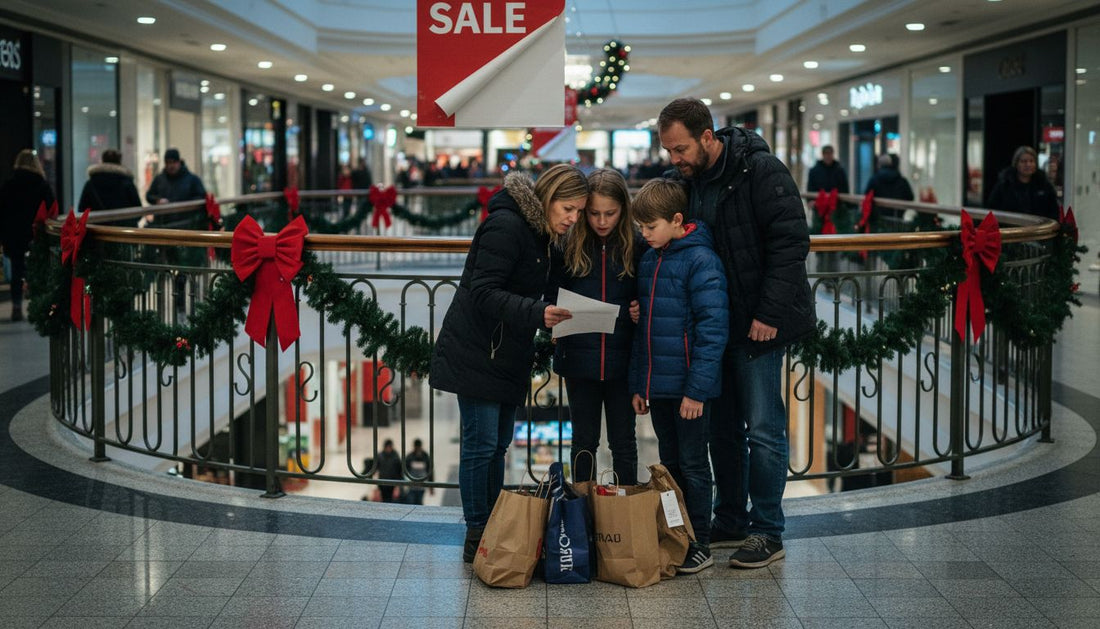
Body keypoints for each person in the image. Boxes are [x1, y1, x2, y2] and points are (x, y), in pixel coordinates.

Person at [657, 98, 816, 569]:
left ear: (708, 137)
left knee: (763, 429)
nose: (675, 159)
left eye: (681, 149)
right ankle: (731, 518)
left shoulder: (761, 171)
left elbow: (791, 243)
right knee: (722, 429)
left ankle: (767, 530)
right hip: (713, 327)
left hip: (757, 326)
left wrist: (768, 313)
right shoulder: (681, 183)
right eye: (668, 151)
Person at [430, 163, 586, 562]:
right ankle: (477, 531)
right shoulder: (507, 225)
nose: (573, 218)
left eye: (579, 211)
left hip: (506, 351)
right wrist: (537, 313)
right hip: (478, 350)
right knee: (480, 446)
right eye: (568, 208)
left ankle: (493, 525)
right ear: (548, 198)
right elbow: (482, 291)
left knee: (498, 445)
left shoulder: (542, 235)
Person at [628, 177, 729, 574]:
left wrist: (696, 391)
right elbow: (644, 331)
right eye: (640, 227)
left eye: (650, 226)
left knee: (694, 463)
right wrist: (641, 384)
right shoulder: (650, 260)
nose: (644, 234)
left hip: (689, 389)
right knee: (670, 465)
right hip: (659, 386)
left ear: (676, 220)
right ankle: (677, 535)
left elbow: (712, 331)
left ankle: (699, 540)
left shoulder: (702, 261)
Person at [551, 168, 642, 486]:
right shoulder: (567, 244)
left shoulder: (637, 245)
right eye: (594, 213)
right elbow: (551, 293)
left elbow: (649, 293)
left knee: (624, 443)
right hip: (578, 359)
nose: (602, 221)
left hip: (623, 361)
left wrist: (641, 308)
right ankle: (581, 509)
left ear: (623, 210)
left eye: (610, 213)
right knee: (583, 442)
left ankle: (624, 510)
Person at [0, 149, 56, 322]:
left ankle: (17, 306)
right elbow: (51, 208)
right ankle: (37, 305)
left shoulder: (9, 184)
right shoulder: (42, 185)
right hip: (36, 232)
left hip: (13, 234)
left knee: (17, 270)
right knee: (37, 268)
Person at [986, 145, 1059, 220]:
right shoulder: (1005, 184)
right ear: (1016, 164)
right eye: (1023, 161)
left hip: (1040, 226)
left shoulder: (1044, 184)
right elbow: (993, 208)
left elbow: (1054, 210)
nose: (1028, 165)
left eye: (1031, 161)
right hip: (1012, 225)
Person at [77, 149, 142, 212]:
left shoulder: (91, 183)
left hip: (97, 219)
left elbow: (82, 209)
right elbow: (137, 209)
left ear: (102, 161)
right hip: (122, 219)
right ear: (119, 162)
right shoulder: (127, 183)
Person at [864, 153, 914, 224]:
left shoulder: (874, 180)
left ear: (879, 165)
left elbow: (867, 196)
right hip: (897, 219)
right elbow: (910, 197)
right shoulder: (902, 180)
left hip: (878, 219)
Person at [404, 438, 433, 505]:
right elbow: (405, 471)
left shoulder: (425, 456)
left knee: (419, 502)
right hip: (412, 485)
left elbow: (430, 471)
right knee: (411, 502)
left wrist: (431, 486)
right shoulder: (410, 457)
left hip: (421, 486)